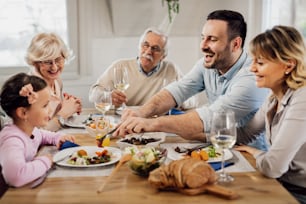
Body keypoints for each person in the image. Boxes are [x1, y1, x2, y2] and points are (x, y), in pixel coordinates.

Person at [114, 10, 269, 150]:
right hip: (215, 148)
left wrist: (151, 124)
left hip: (250, 157)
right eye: (203, 38)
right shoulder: (207, 64)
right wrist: (140, 113)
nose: (203, 46)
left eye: (212, 39)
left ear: (235, 44)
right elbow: (176, 91)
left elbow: (209, 118)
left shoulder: (252, 77)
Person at [234, 25, 306, 204]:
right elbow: (245, 133)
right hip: (281, 185)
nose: (252, 69)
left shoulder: (303, 98)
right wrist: (197, 131)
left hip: (299, 193)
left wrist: (256, 152)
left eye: (260, 63)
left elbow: (272, 167)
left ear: (288, 65)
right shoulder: (274, 96)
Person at [89, 27, 199, 109]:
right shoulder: (120, 66)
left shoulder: (171, 69)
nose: (148, 51)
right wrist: (108, 97)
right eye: (145, 45)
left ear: (163, 56)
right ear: (139, 47)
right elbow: (93, 94)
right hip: (123, 121)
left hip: (156, 122)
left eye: (155, 48)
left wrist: (176, 98)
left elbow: (193, 100)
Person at [0, 73, 76, 188]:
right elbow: (16, 177)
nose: (50, 109)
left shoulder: (29, 130)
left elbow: (41, 135)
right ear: (23, 113)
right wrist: (45, 161)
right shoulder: (12, 140)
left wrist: (57, 138)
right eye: (45, 105)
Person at [25, 32, 82, 131]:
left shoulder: (57, 81)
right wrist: (63, 113)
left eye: (58, 60)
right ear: (35, 62)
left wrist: (69, 106)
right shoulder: (30, 89)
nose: (54, 67)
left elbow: (51, 117)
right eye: (47, 61)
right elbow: (36, 133)